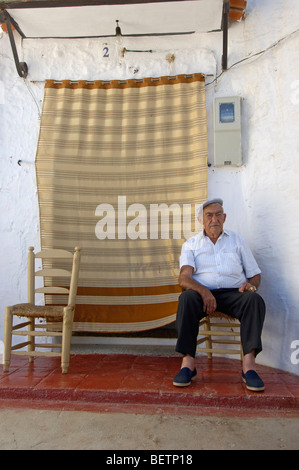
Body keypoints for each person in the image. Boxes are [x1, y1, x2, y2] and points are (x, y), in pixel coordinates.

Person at [173, 198, 266, 391]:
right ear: (201, 220)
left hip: (234, 294)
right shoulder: (191, 244)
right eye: (209, 215)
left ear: (224, 217)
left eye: (218, 214)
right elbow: (184, 278)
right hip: (202, 295)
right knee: (186, 298)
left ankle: (248, 368)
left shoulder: (237, 240)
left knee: (254, 300)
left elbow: (254, 274)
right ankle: (188, 364)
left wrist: (250, 286)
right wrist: (205, 292)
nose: (214, 219)